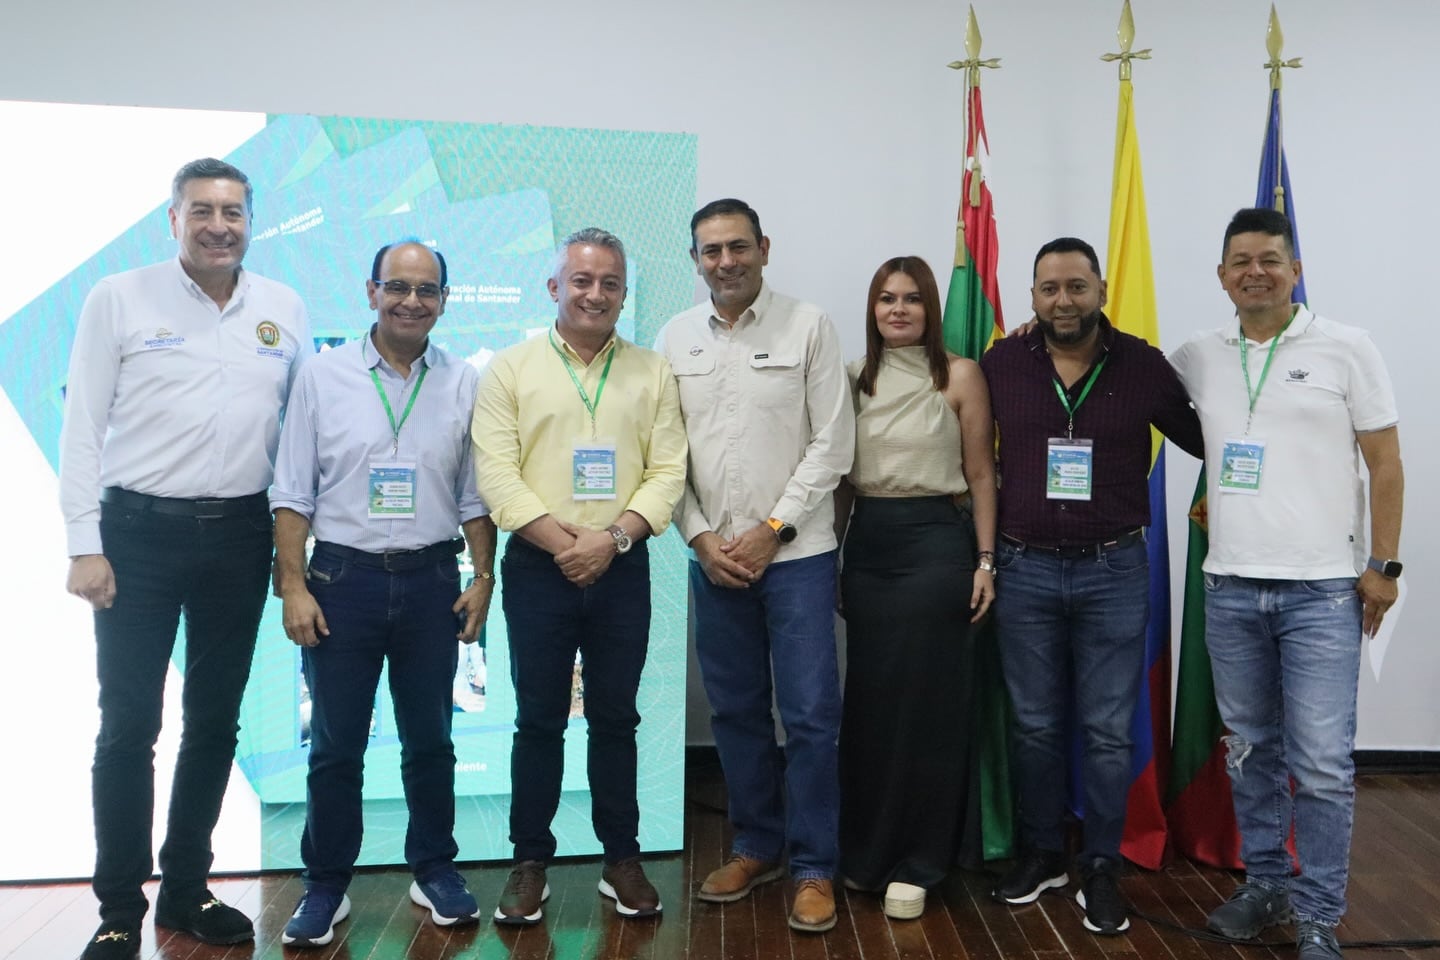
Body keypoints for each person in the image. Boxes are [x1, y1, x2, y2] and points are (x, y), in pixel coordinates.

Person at [59, 158, 311, 960]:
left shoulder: (283, 308)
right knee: (129, 724)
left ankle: (185, 888)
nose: (218, 224)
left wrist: (291, 554)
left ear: (251, 220)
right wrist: (83, 544)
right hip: (136, 535)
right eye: (201, 209)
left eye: (233, 210)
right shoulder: (118, 298)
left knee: (214, 722)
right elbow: (81, 430)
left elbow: (301, 443)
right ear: (173, 219)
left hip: (238, 535)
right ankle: (116, 906)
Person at [1171, 208, 1404, 960]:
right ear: (1221, 275)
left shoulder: (1346, 349)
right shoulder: (1201, 354)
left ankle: (1317, 918)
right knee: (1250, 749)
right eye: (1240, 260)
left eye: (1270, 258)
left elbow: (1387, 465)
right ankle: (1267, 883)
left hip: (1324, 592)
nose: (1255, 271)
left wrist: (1384, 565)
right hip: (1232, 586)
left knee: (1324, 764)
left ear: (1295, 270)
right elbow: (1123, 374)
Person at [270, 241, 497, 947]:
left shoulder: (463, 382)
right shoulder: (323, 375)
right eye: (397, 286)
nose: (411, 301)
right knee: (336, 746)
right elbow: (291, 490)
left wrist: (483, 576)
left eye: (427, 290)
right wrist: (293, 585)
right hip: (343, 582)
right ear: (371, 292)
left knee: (432, 741)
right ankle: (326, 884)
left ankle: (434, 869)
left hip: (433, 579)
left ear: (444, 300)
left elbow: (474, 495)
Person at [979, 237, 1202, 936]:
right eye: (1049, 289)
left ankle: (1102, 864)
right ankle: (1044, 852)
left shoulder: (1143, 365)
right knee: (1035, 725)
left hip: (1114, 570)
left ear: (1101, 290)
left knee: (1108, 732)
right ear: (1032, 296)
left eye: (1077, 287)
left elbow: (1209, 437)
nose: (1063, 301)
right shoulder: (1003, 363)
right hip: (1025, 569)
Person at [472, 227, 688, 926]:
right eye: (582, 281)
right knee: (537, 721)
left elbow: (669, 472)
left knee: (616, 718)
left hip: (621, 566)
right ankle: (529, 861)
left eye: (611, 284)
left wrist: (613, 538)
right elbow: (497, 474)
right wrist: (567, 543)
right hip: (540, 567)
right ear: (554, 287)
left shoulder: (652, 371)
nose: (596, 294)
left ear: (624, 292)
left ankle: (620, 859)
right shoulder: (510, 368)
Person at [655, 199, 854, 933]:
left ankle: (812, 865)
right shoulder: (674, 337)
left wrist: (773, 529)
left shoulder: (809, 326)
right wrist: (702, 538)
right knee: (736, 712)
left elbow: (833, 445)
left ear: (764, 249)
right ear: (696, 259)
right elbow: (664, 454)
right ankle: (754, 845)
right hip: (715, 559)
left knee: (808, 717)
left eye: (738, 246)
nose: (725, 261)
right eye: (710, 250)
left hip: (796, 555)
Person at [833, 256, 996, 921]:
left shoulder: (960, 375)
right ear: (871, 310)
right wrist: (835, 562)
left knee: (930, 708)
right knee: (869, 704)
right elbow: (841, 483)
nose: (897, 309)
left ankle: (922, 862)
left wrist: (986, 561)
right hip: (869, 547)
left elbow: (983, 474)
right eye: (884, 299)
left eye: (911, 299)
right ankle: (868, 854)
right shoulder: (849, 379)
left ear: (931, 307)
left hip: (938, 546)